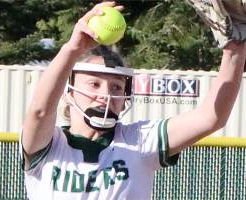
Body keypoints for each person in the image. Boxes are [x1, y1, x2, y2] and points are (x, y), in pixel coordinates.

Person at [19, 1, 246, 199]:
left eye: (116, 86)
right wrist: (72, 48)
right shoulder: (49, 146)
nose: (106, 93)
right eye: (94, 84)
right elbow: (39, 111)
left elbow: (211, 117)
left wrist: (234, 51)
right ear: (69, 92)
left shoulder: (137, 141)